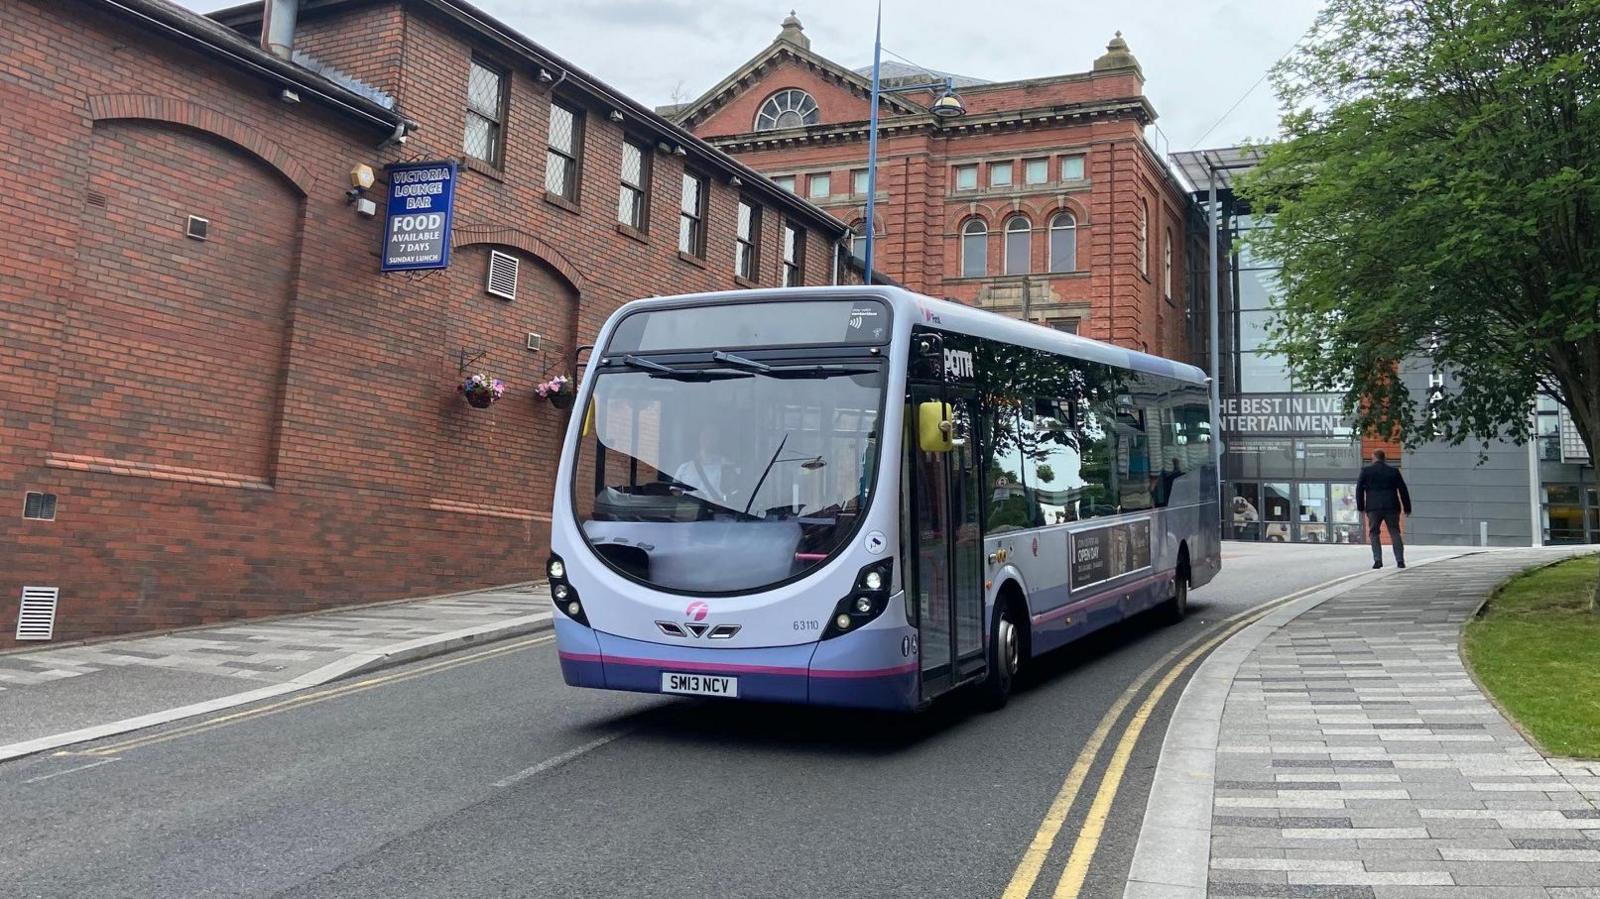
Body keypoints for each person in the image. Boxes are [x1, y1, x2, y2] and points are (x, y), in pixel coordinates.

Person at [1356, 449, 1411, 569]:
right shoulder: (1393, 471)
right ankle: (1400, 560)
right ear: (1384, 458)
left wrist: (1360, 507)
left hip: (1373, 507)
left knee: (1374, 533)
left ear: (1374, 457)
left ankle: (1378, 560)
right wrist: (1407, 507)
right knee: (1395, 532)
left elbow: (1359, 489)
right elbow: (1403, 490)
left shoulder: (1366, 471)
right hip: (1391, 506)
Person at [673, 427, 731, 504]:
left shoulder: (726, 466)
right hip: (687, 512)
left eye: (712, 435)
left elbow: (732, 495)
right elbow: (674, 492)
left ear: (718, 440)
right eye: (704, 435)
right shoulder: (684, 467)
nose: (707, 438)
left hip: (714, 512)